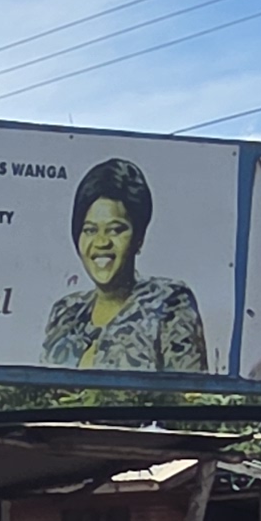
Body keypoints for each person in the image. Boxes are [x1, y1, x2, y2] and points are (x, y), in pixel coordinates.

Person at [40, 156, 207, 372]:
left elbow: (188, 395)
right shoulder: (66, 313)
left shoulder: (169, 302)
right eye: (90, 230)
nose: (101, 242)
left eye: (115, 230)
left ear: (139, 237)